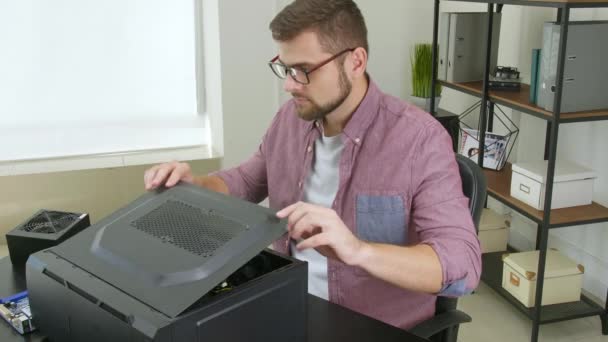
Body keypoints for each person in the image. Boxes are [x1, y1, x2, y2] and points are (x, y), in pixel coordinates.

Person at [143, 0, 481, 331]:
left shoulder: (419, 140)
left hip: (370, 326)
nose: (289, 84)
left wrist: (358, 251)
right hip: (288, 303)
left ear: (356, 61)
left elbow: (462, 266)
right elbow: (247, 180)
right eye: (286, 68)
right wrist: (196, 185)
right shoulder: (290, 119)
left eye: (303, 70)